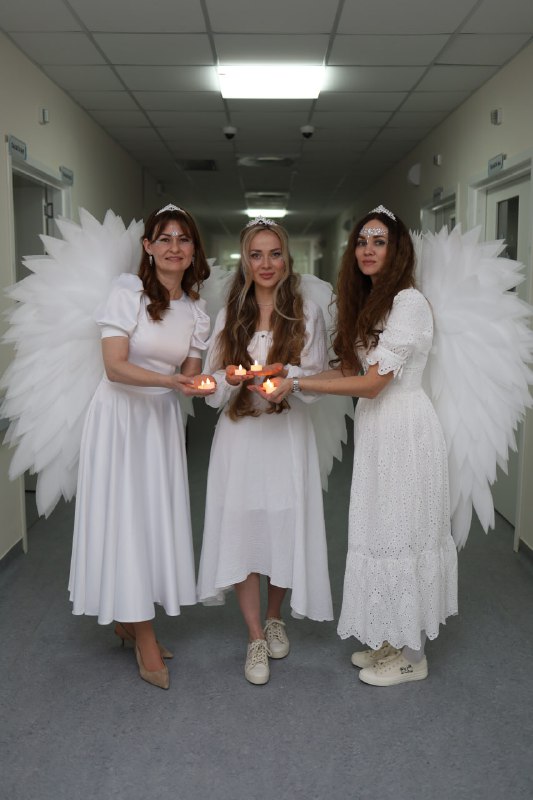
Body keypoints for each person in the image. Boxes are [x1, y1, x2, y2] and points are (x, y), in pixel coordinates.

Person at [268, 205, 458, 686]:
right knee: (381, 530)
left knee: (406, 533)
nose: (367, 250)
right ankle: (395, 637)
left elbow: (372, 384)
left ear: (397, 251)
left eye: (379, 241)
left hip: (406, 429)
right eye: (361, 242)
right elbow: (350, 371)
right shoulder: (374, 301)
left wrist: (298, 386)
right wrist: (293, 373)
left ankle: (414, 657)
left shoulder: (409, 302)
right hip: (377, 432)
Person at [68, 203, 216, 690]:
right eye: (164, 238)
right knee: (126, 518)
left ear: (193, 250)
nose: (175, 247)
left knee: (152, 518)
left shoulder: (195, 311)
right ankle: (144, 634)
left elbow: (190, 377)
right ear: (148, 246)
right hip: (119, 418)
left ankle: (130, 620)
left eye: (184, 239)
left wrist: (207, 384)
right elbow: (114, 367)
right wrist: (171, 381)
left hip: (160, 421)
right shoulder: (127, 292)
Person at [197, 217, 333, 685]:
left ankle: (275, 616)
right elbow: (212, 390)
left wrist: (287, 378)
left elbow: (317, 379)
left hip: (286, 435)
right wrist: (228, 378)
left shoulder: (307, 313)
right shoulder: (228, 315)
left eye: (275, 253)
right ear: (245, 262)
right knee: (242, 526)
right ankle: (254, 634)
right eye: (256, 255)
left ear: (287, 258)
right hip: (240, 438)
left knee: (282, 524)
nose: (266, 263)